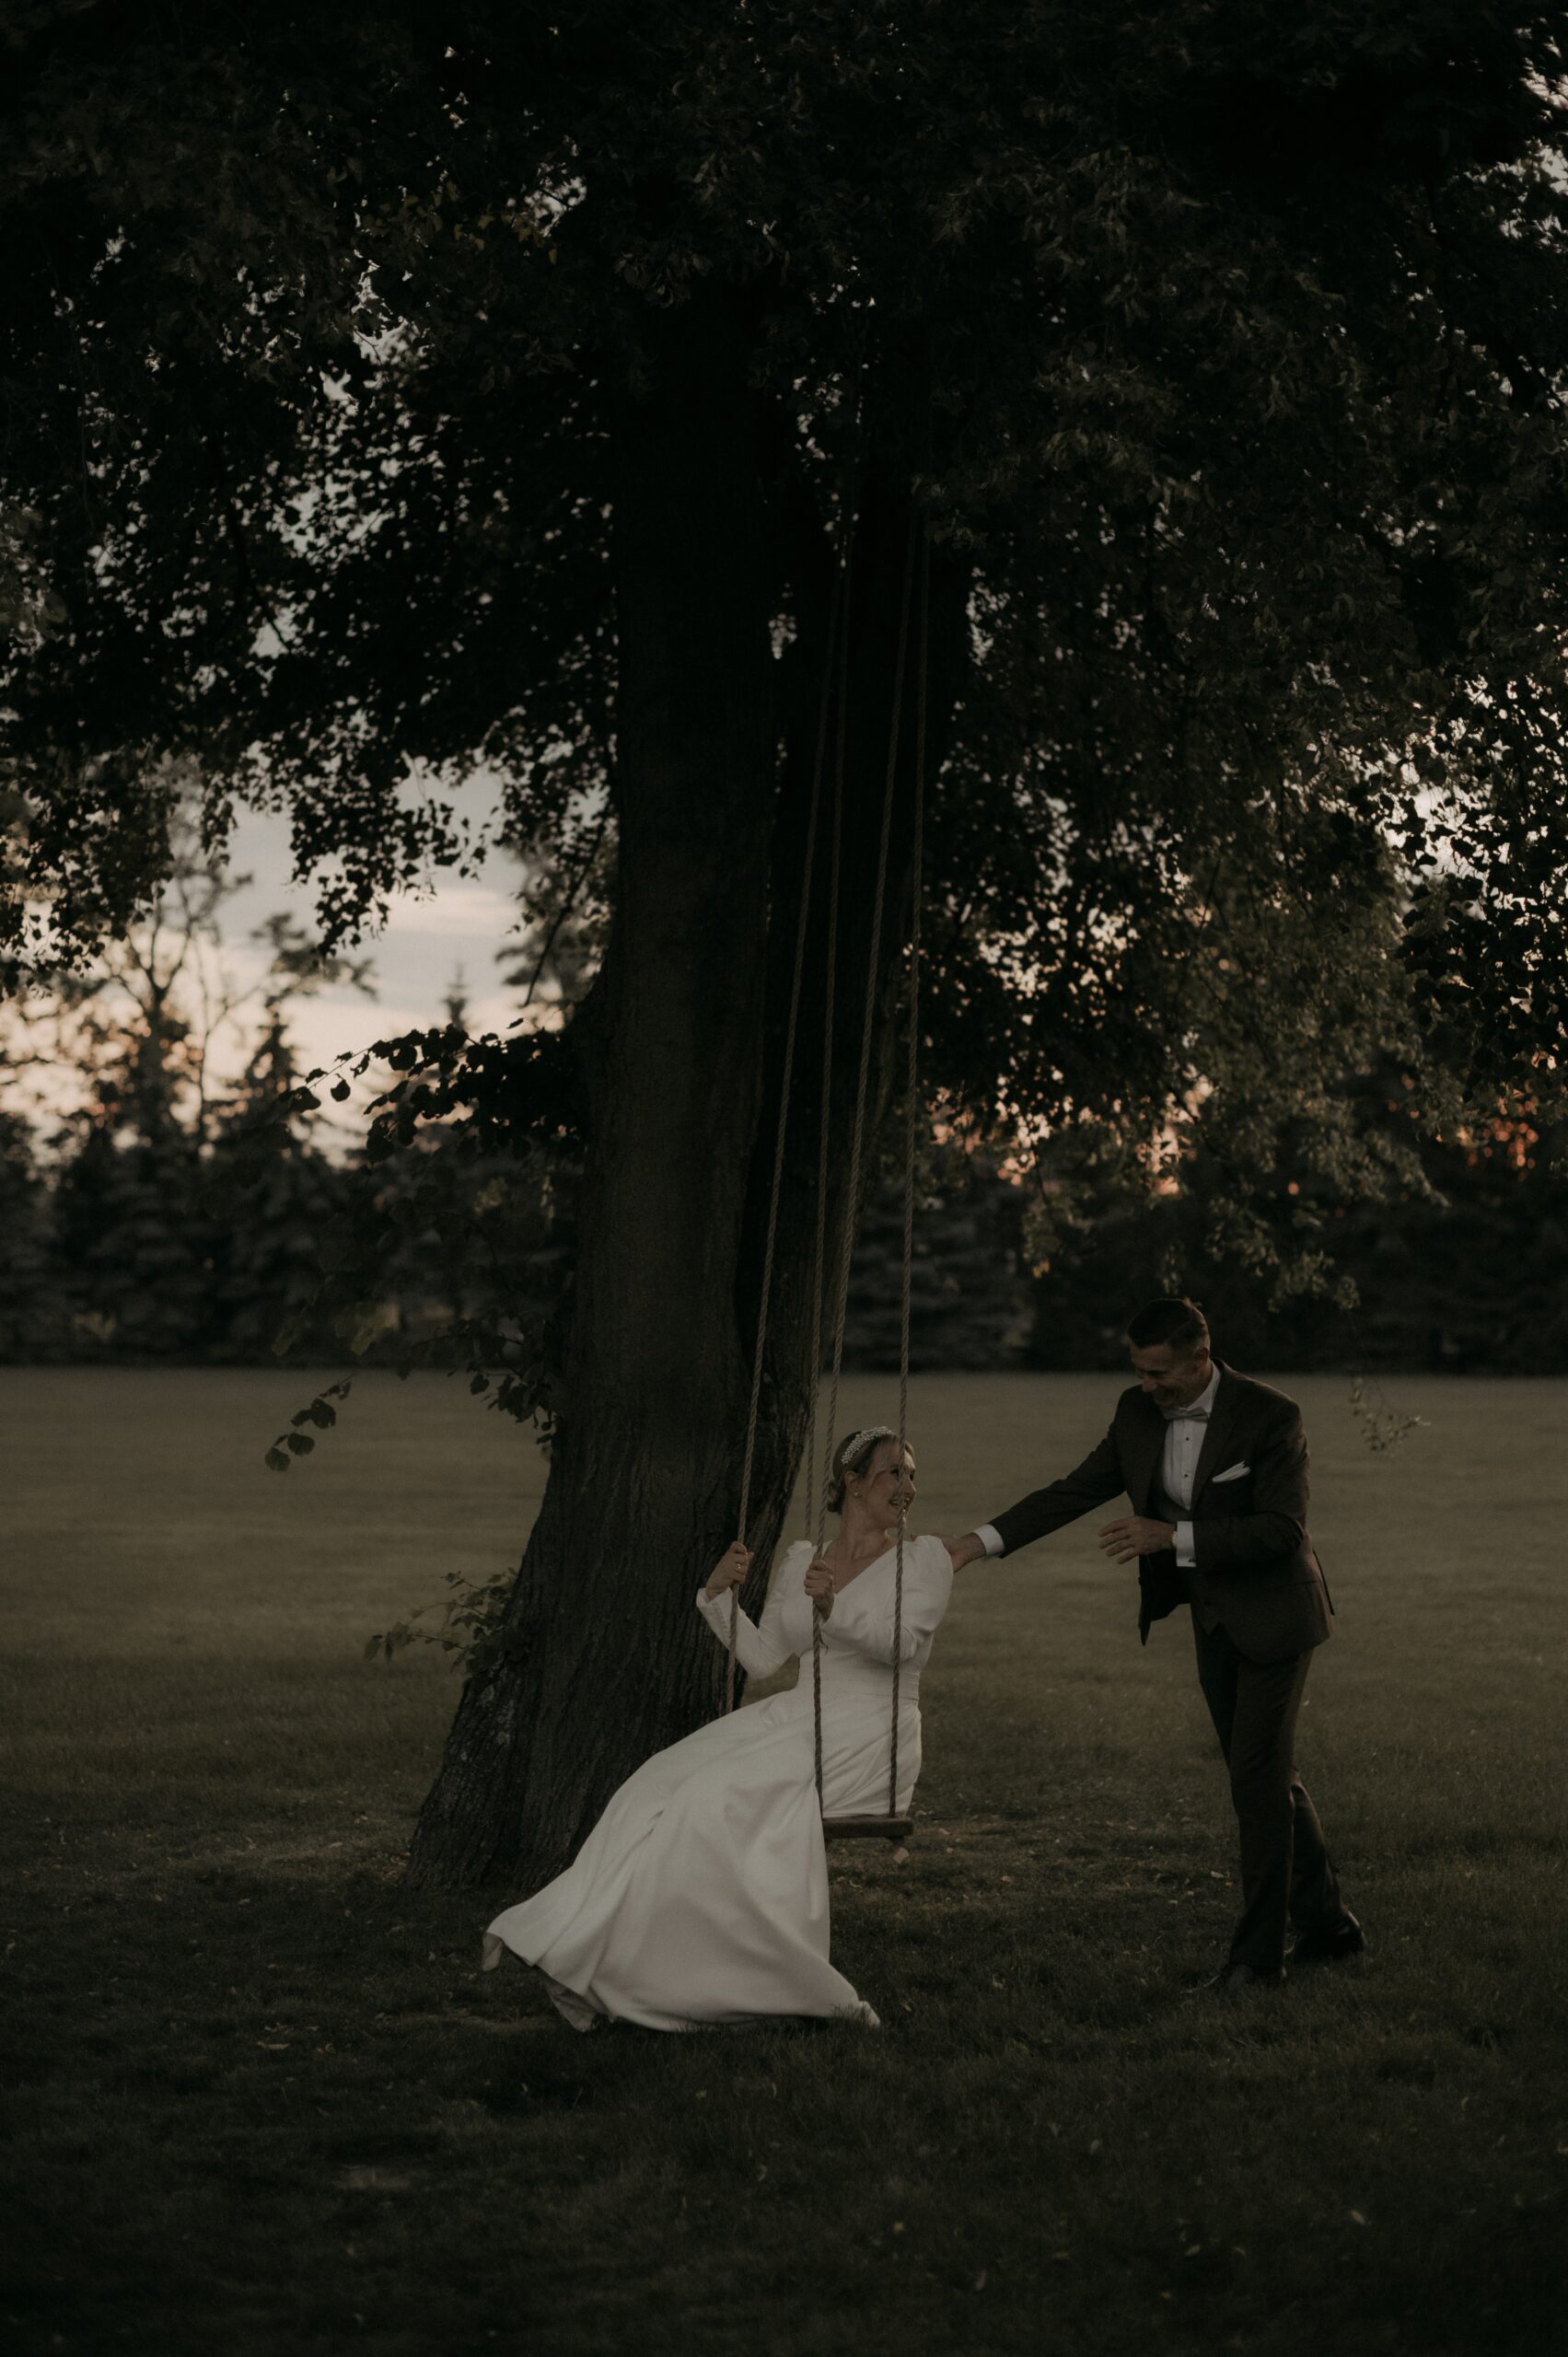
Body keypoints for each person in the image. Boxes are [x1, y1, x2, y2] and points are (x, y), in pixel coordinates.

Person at [943, 1297, 1363, 1996]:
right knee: (1265, 1777)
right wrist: (975, 1544)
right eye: (1138, 1371)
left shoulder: (1270, 1415)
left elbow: (1283, 1530)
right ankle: (1329, 1925)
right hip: (1213, 1619)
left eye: (1159, 1373)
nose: (1146, 1385)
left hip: (1277, 1619)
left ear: (1201, 1358)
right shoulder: (1136, 1412)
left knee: (1256, 1781)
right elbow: (1074, 1490)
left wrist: (1173, 1537)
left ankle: (1259, 1963)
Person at [482, 1427, 952, 2031]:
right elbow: (763, 1658)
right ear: (853, 1484)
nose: (907, 1487)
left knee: (708, 1799)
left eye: (912, 1475)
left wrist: (833, 1610)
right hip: (797, 1713)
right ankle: (587, 1948)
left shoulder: (918, 1561)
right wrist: (716, 1594)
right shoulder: (804, 1559)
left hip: (868, 1729)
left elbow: (902, 1648)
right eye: (894, 1473)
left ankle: (718, 1979)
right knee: (656, 1782)